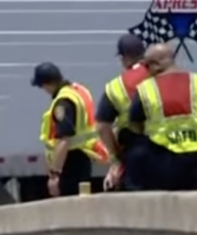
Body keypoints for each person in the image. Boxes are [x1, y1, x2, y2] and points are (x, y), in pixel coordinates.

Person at [128, 43, 197, 190]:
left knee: (167, 208)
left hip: (163, 158)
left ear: (156, 64)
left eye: (147, 66)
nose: (146, 71)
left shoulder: (146, 89)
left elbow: (135, 125)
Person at [33, 61, 107, 198]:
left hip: (70, 163)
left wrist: (55, 175)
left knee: (70, 206)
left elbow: (65, 140)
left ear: (48, 83)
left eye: (42, 86)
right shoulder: (79, 91)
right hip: (83, 159)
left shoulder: (63, 102)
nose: (44, 90)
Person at [96, 34, 150, 190]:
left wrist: (116, 159)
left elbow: (102, 127)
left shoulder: (116, 86)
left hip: (136, 151)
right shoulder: (161, 75)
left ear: (123, 57)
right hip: (168, 151)